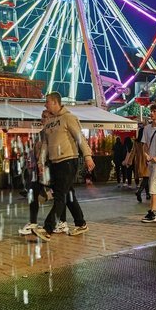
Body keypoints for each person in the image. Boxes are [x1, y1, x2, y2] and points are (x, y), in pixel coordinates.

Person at [31, 92, 95, 242]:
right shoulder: (50, 121)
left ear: (55, 102)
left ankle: (48, 229)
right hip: (55, 162)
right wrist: (41, 162)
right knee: (68, 194)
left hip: (68, 160)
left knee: (60, 196)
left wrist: (88, 156)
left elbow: (80, 138)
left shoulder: (68, 118)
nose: (45, 104)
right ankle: (80, 223)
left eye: (47, 102)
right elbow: (45, 144)